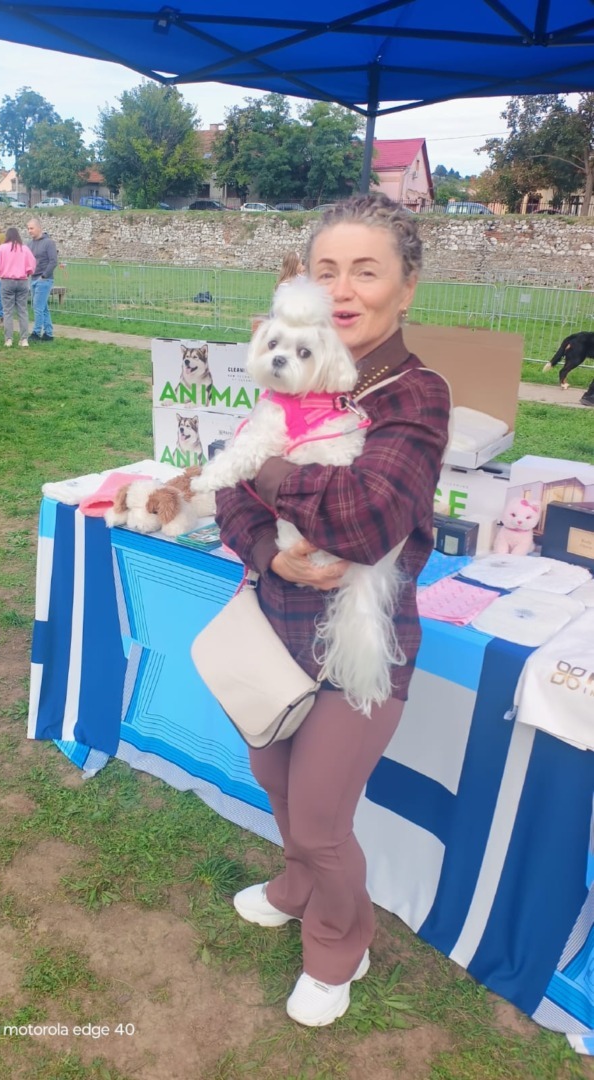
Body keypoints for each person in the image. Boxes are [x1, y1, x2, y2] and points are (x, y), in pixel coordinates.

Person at [215, 192, 451, 1028]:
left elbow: (365, 521)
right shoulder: (293, 369)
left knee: (320, 818)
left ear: (407, 287)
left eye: (366, 271)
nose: (343, 289)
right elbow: (227, 497)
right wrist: (266, 549)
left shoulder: (415, 396)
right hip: (274, 622)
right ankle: (295, 885)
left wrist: (265, 467)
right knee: (274, 777)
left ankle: (336, 943)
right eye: (326, 271)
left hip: (361, 646)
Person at [0, 227, 36, 348]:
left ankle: (8, 339)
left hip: (7, 281)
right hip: (22, 281)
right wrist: (28, 273)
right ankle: (24, 339)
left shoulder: (2, 248)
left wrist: (0, 271)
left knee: (7, 311)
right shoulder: (24, 248)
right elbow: (32, 264)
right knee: (22, 311)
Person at [26, 217, 58, 342]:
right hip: (33, 278)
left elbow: (53, 261)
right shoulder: (29, 244)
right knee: (43, 307)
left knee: (37, 307)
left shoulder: (49, 243)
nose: (30, 231)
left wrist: (44, 276)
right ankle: (48, 333)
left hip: (44, 279)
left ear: (39, 228)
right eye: (28, 228)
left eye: (32, 228)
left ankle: (36, 332)